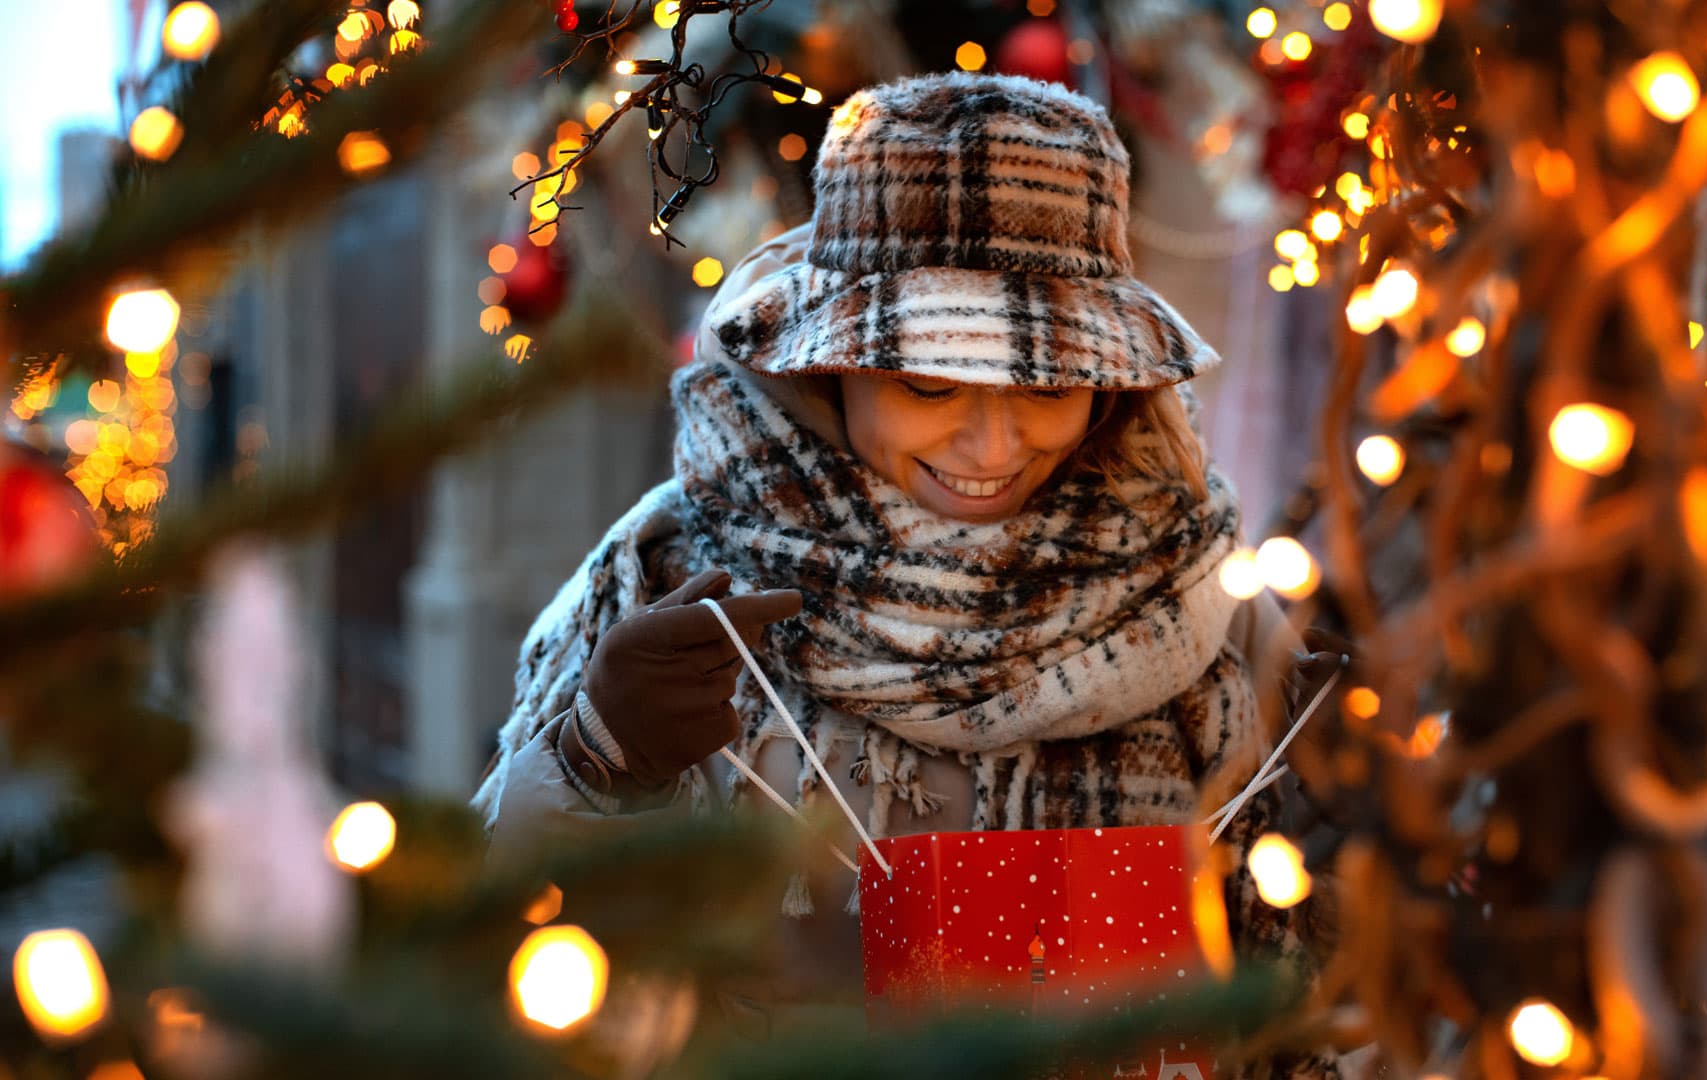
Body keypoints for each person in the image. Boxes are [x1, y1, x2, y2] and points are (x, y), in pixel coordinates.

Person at [474, 72, 1342, 1077]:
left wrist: (1343, 812)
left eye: (1051, 387)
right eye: (929, 384)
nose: (990, 445)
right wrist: (596, 763)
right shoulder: (675, 575)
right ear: (823, 366)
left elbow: (1318, 996)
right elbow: (502, 954)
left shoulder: (1198, 591)